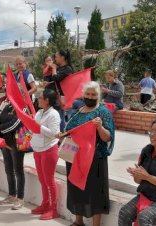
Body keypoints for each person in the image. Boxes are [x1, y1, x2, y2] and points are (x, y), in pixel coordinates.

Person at [63, 81, 115, 226]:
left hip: (95, 158)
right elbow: (70, 131)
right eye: (88, 94)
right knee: (76, 188)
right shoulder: (78, 111)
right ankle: (78, 221)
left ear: (99, 96)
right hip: (76, 157)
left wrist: (99, 128)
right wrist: (63, 135)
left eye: (93, 94)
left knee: (96, 192)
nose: (90, 97)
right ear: (83, 94)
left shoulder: (103, 112)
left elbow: (108, 137)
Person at [30, 89, 61, 220]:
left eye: (40, 97)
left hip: (49, 149)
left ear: (47, 100)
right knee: (42, 180)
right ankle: (45, 204)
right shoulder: (39, 112)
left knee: (49, 180)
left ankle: (53, 209)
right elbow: (34, 128)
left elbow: (53, 133)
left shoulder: (54, 114)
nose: (38, 99)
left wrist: (37, 125)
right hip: (37, 149)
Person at [0, 101, 25, 210]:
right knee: (8, 169)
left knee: (18, 171)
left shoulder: (23, 106)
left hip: (16, 142)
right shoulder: (8, 105)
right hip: (5, 142)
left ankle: (20, 198)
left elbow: (17, 123)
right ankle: (12, 195)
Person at [44, 49, 74, 131]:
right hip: (55, 96)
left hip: (61, 97)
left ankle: (62, 136)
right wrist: (48, 83)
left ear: (63, 57)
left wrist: (53, 68)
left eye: (56, 57)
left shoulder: (67, 69)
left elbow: (56, 78)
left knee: (59, 118)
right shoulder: (60, 68)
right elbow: (55, 81)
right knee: (55, 118)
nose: (54, 59)